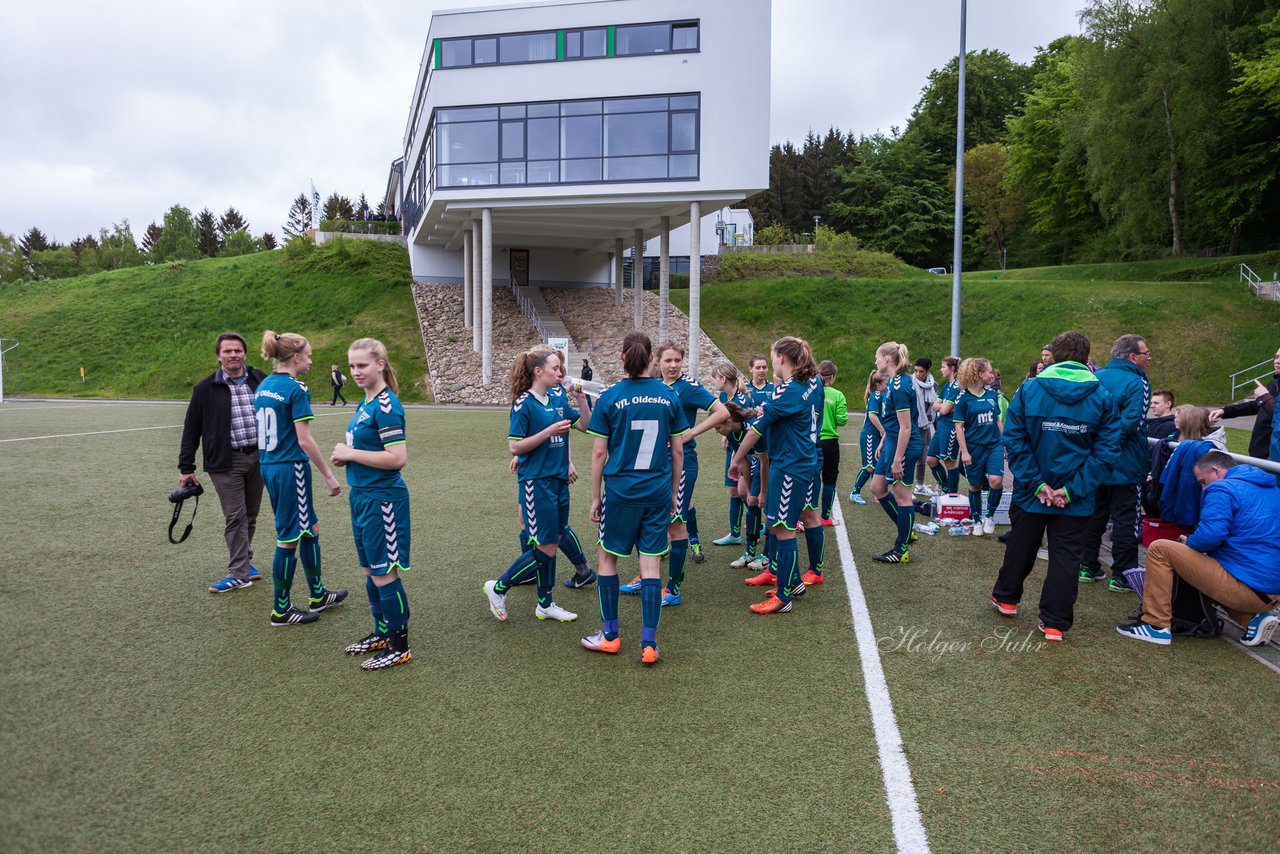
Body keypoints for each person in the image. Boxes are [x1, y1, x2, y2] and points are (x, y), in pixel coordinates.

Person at [990, 331, 1121, 642]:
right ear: (1086, 358)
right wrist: (1071, 490)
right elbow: (1106, 453)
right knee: (1067, 557)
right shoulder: (1102, 396)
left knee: (1022, 546)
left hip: (1034, 493)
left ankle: (1007, 598)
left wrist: (1038, 485)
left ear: (1054, 355)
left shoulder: (1030, 389)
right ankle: (1055, 622)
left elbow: (1014, 440)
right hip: (1074, 498)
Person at [581, 331, 685, 665]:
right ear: (653, 357)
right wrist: (673, 493)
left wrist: (596, 497)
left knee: (607, 559)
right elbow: (678, 451)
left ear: (622, 357)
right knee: (651, 564)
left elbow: (599, 453)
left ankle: (610, 636)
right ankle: (649, 643)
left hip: (621, 493)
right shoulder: (668, 396)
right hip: (656, 491)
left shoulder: (611, 397)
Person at [1117, 451, 1280, 646]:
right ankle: (1252, 618)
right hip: (1269, 591)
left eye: (1202, 482)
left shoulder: (1222, 488)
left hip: (1247, 585)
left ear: (1215, 471)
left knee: (1160, 548)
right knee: (1210, 561)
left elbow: (1211, 535)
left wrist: (1190, 542)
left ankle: (1156, 625)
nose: (1203, 489)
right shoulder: (1271, 489)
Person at [484, 345, 591, 624]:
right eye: (555, 368)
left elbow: (584, 426)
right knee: (546, 547)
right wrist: (547, 432)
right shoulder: (523, 403)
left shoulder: (557, 396)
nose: (560, 373)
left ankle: (545, 603)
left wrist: (581, 401)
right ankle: (498, 588)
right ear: (538, 371)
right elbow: (515, 446)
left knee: (553, 540)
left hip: (558, 481)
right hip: (537, 483)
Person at [620, 341, 728, 605]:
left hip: (681, 463)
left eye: (677, 360)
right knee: (648, 520)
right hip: (654, 465)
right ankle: (647, 576)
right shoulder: (655, 386)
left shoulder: (688, 387)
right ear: (656, 361)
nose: (673, 365)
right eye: (668, 360)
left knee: (675, 524)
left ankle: (673, 588)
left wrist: (691, 432)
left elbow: (721, 411)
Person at [329, 338, 413, 669]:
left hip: (383, 500)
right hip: (361, 496)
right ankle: (382, 632)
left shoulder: (387, 406)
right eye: (351, 366)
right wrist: (350, 460)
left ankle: (399, 645)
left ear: (380, 364)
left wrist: (350, 454)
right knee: (369, 571)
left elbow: (397, 457)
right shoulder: (365, 403)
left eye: (362, 365)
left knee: (384, 574)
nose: (356, 371)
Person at [254, 330, 347, 627]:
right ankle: (281, 610)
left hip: (269, 465)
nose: (310, 361)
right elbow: (304, 441)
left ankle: (318, 594)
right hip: (289, 466)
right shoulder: (296, 388)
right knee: (289, 537)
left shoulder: (265, 385)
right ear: (295, 357)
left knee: (310, 527)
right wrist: (329, 475)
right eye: (308, 355)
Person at [728, 336, 824, 609]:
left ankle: (784, 597)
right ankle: (793, 580)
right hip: (803, 458)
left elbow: (757, 429)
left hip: (790, 464)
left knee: (783, 529)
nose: (770, 363)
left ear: (781, 358)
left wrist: (736, 459)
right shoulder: (813, 380)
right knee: (777, 523)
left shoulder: (788, 389)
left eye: (772, 357)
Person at [179, 332, 267, 593]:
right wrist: (186, 468)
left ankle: (244, 563)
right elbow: (191, 429)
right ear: (218, 355)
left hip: (260, 458)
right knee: (235, 516)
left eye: (237, 350)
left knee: (250, 515)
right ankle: (237, 572)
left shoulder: (260, 379)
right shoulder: (205, 388)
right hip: (226, 461)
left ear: (245, 354)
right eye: (227, 351)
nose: (233, 355)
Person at [1080, 334, 1153, 592]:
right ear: (1133, 357)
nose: (1150, 357)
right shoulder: (1138, 383)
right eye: (1146, 353)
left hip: (1096, 463)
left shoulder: (1094, 379)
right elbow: (1132, 422)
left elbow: (1085, 418)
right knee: (1126, 521)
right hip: (1126, 465)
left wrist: (1097, 449)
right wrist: (1108, 447)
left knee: (1094, 515)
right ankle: (1122, 576)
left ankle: (1088, 566)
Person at [868, 342, 923, 564]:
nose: (876, 361)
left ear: (887, 359)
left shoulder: (901, 386)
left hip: (905, 447)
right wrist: (884, 441)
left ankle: (901, 550)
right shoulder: (893, 382)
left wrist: (898, 458)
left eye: (877, 357)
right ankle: (906, 531)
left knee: (902, 496)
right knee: (877, 487)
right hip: (892, 441)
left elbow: (906, 427)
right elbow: (893, 422)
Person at [952, 358, 1004, 536]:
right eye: (989, 371)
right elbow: (959, 427)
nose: (993, 374)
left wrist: (1003, 443)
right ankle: (976, 520)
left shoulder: (992, 395)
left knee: (996, 480)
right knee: (975, 486)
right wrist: (964, 452)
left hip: (994, 445)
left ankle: (990, 516)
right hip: (973, 448)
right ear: (980, 374)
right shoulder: (963, 399)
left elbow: (997, 420)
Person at [1209, 346, 1279, 460]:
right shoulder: (1274, 384)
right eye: (1276, 357)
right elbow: (1255, 405)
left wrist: (1265, 397)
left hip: (1274, 456)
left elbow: (1278, 414)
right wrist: (1225, 411)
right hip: (1259, 452)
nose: (1277, 361)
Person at [1152, 405, 1217, 528]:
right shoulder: (1183, 441)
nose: (1174, 420)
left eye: (1178, 417)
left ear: (1188, 421)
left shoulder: (1204, 447)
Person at [710, 361, 752, 546]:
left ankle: (757, 526)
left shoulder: (742, 399)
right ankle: (735, 534)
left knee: (749, 493)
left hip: (748, 453)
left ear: (723, 378)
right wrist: (726, 435)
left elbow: (748, 430)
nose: (714, 383)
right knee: (734, 491)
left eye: (715, 379)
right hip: (735, 449)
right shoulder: (722, 396)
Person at [848, 370, 887, 505]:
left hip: (875, 435)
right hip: (870, 435)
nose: (888, 385)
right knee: (869, 466)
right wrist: (882, 430)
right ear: (878, 383)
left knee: (877, 465)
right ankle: (855, 492)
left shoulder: (880, 395)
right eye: (886, 382)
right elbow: (872, 415)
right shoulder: (876, 395)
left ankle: (878, 493)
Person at [817, 360, 848, 526]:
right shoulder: (837, 395)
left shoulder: (810, 391)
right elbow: (842, 420)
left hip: (811, 441)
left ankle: (803, 518)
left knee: (809, 479)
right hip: (829, 442)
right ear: (833, 377)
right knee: (829, 480)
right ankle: (825, 517)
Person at [925, 356, 961, 494]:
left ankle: (952, 494)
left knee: (949, 461)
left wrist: (943, 407)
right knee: (931, 459)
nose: (941, 369)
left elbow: (944, 409)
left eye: (943, 367)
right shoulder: (947, 386)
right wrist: (943, 406)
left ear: (952, 368)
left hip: (951, 427)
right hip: (941, 426)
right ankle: (946, 488)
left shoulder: (958, 386)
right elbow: (935, 405)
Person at [911, 357, 938, 491]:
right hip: (910, 424)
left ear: (927, 371)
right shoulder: (909, 383)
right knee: (909, 456)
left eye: (921, 371)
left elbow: (933, 407)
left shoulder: (934, 385)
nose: (917, 374)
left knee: (922, 457)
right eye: (915, 370)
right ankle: (906, 488)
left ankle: (919, 485)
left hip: (924, 425)